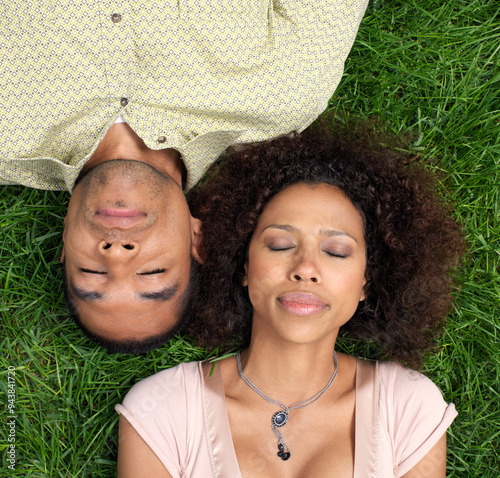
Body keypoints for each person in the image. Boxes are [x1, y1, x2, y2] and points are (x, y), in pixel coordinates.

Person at [0, 0, 377, 352]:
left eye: (93, 272)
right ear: (197, 237)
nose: (117, 253)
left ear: (65, 245)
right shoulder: (284, 94)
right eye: (152, 271)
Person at [115, 119, 466, 476]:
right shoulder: (164, 408)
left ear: (366, 282)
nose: (306, 267)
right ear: (243, 266)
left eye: (336, 252)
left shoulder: (407, 405)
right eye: (281, 245)